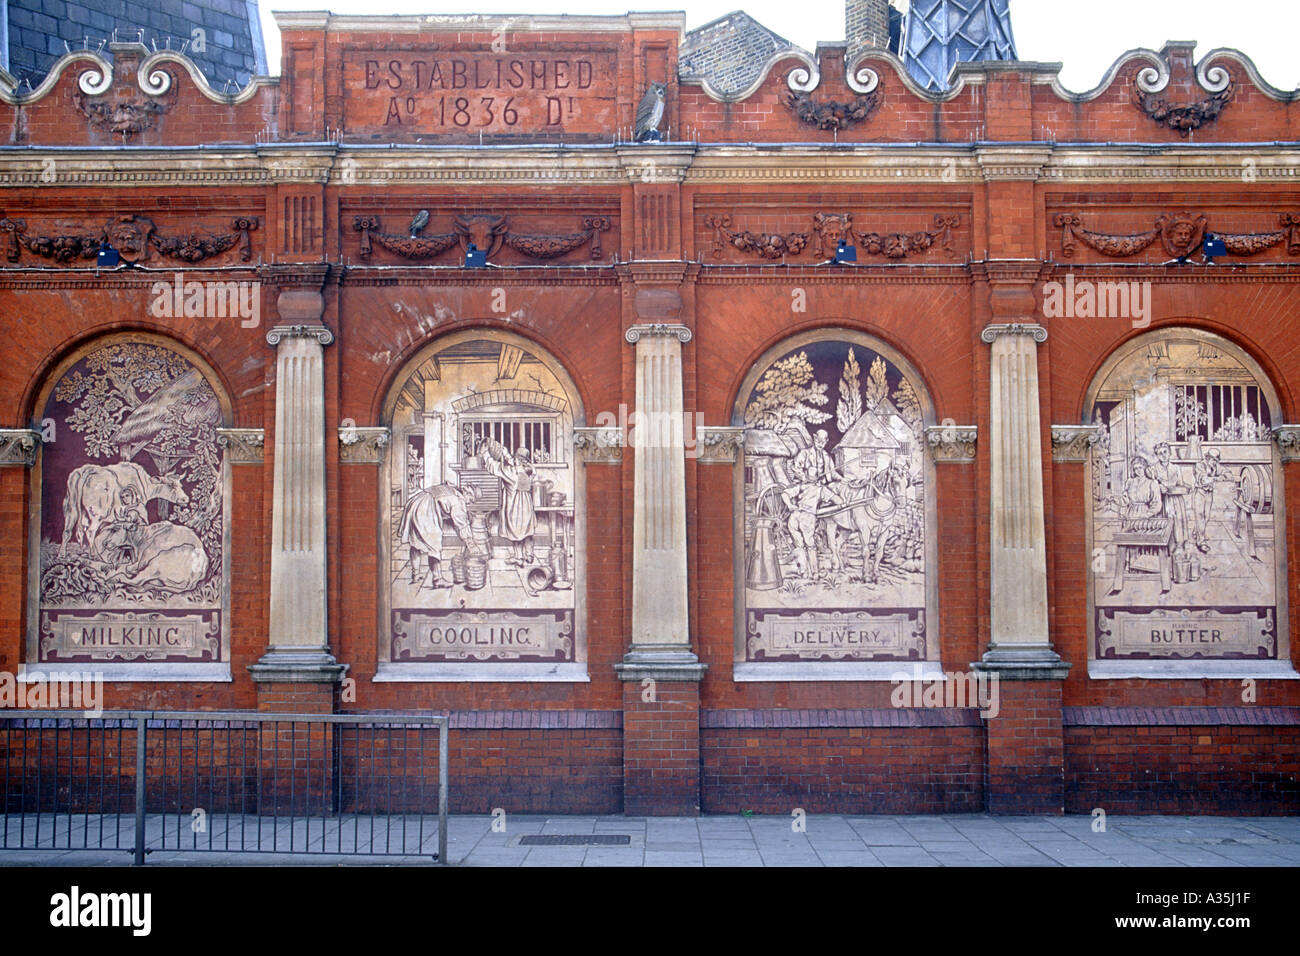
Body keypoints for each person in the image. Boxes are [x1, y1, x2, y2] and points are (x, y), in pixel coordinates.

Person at [781, 430, 844, 580]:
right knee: (809, 545)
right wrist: (807, 478)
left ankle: (805, 570)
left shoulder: (827, 457)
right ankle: (814, 573)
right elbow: (796, 469)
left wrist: (842, 479)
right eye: (818, 440)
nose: (820, 444)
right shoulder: (804, 453)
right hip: (805, 487)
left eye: (823, 441)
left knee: (802, 544)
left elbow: (832, 473)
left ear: (826, 441)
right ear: (814, 439)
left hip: (816, 490)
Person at [398, 482, 478, 587]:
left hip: (416, 502)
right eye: (471, 500)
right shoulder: (458, 500)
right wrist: (471, 544)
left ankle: (415, 574)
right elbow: (461, 524)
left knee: (415, 541)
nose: (469, 503)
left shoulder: (452, 490)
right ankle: (437, 579)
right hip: (426, 508)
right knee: (434, 544)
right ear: (468, 494)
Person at [487, 447, 537, 566]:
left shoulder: (511, 473)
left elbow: (496, 468)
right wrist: (509, 457)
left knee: (516, 533)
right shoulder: (530, 470)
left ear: (518, 459)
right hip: (527, 505)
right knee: (527, 531)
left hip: (515, 506)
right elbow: (515, 466)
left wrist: (487, 456)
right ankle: (529, 555)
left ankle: (518, 557)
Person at [1150, 442, 1190, 552]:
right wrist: (1159, 487)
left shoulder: (1176, 468)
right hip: (1162, 501)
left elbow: (1180, 483)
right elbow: (1151, 485)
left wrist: (1186, 487)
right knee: (1163, 522)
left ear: (1169, 453)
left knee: (1177, 521)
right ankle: (1164, 548)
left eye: (1165, 452)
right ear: (1157, 456)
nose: (1163, 455)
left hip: (1176, 500)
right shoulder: (1153, 469)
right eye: (1160, 453)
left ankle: (1179, 545)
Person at [1191, 448, 1224, 553]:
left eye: (1216, 460)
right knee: (1200, 516)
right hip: (1199, 493)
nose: (1214, 462)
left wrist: (1223, 476)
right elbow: (1203, 479)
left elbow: (1226, 472)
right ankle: (1201, 542)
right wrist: (1216, 479)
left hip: (1209, 493)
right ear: (1208, 457)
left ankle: (1196, 532)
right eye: (1213, 459)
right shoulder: (1199, 465)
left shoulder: (1215, 466)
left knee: (1207, 516)